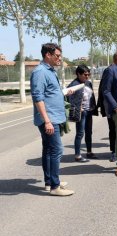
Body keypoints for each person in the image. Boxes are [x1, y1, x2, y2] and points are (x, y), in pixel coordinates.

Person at [30, 43, 75, 196]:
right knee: (56, 150)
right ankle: (55, 187)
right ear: (48, 55)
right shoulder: (40, 72)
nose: (60, 59)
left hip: (54, 117)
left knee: (49, 150)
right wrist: (47, 121)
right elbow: (38, 98)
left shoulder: (50, 71)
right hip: (49, 119)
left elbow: (50, 93)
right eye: (57, 56)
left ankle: (50, 181)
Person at [67, 65, 98, 162]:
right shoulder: (74, 84)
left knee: (89, 132)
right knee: (80, 133)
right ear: (78, 74)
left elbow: (91, 96)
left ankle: (89, 152)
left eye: (89, 74)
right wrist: (76, 106)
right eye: (85, 74)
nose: (87, 76)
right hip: (81, 113)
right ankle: (77, 155)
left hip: (89, 111)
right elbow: (68, 98)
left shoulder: (88, 83)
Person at [97, 52, 117, 162]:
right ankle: (114, 152)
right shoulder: (110, 70)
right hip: (112, 107)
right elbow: (105, 90)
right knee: (113, 130)